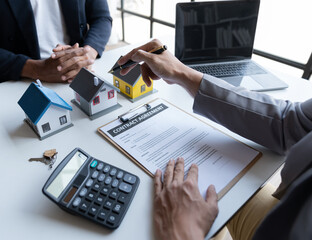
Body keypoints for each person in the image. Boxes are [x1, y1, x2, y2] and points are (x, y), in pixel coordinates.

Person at [118, 39, 312, 240]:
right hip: (292, 207)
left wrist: (181, 233)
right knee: (223, 199)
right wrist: (182, 73)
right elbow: (291, 122)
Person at [0, 0, 112, 85]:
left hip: (81, 72)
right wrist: (38, 69)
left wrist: (86, 54)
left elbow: (101, 17)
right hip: (18, 79)